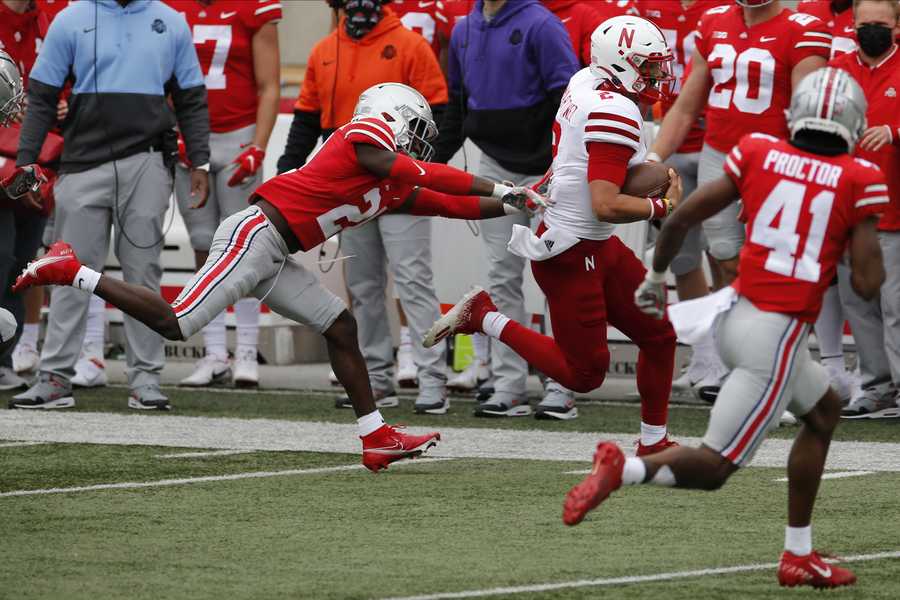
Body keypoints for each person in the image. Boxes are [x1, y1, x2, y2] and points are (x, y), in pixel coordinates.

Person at [14, 83, 546, 469]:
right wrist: (500, 186)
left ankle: (376, 436)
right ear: (392, 117)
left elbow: (447, 203)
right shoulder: (362, 136)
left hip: (277, 252)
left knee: (340, 325)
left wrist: (515, 202)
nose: (419, 143)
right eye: (416, 130)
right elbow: (419, 172)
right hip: (255, 235)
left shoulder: (387, 178)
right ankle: (71, 268)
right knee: (177, 323)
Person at [564, 67, 885, 589]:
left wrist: (657, 276)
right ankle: (623, 469)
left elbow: (682, 216)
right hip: (776, 337)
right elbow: (869, 285)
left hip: (733, 316)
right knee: (716, 467)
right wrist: (848, 235)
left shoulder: (758, 150)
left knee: (824, 411)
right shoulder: (859, 178)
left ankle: (798, 553)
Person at [426, 16, 681, 448]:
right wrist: (664, 206)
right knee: (584, 375)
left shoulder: (586, 80)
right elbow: (606, 204)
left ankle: (653, 441)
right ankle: (483, 316)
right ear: (621, 62)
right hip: (571, 251)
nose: (658, 75)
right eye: (649, 65)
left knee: (659, 336)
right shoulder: (614, 108)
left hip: (594, 243)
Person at [9, 0, 211, 411]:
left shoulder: (170, 22)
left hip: (148, 162)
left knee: (143, 272)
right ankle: (54, 377)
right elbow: (42, 97)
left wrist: (200, 162)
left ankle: (146, 378)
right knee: (67, 270)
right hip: (82, 162)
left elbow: (190, 98)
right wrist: (27, 161)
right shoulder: (70, 19)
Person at [647, 0, 830, 400]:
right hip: (720, 155)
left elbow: (807, 117)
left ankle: (787, 370)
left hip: (778, 160)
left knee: (776, 271)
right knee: (728, 260)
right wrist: (653, 159)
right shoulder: (713, 21)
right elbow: (686, 108)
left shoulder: (803, 29)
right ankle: (746, 368)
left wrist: (775, 179)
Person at [280, 0, 452, 414]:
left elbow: (439, 115)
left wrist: (422, 173)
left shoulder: (410, 45)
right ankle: (375, 377)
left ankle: (432, 379)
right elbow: (307, 118)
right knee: (363, 286)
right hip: (351, 190)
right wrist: (287, 169)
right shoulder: (325, 50)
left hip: (399, 185)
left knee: (413, 281)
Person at [434, 0, 580, 419]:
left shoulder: (542, 25)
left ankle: (563, 382)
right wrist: (428, 166)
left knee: (560, 276)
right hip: (496, 166)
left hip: (550, 167)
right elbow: (457, 108)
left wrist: (561, 166)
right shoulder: (463, 30)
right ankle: (509, 384)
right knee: (500, 274)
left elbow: (571, 104)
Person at [166, 0, 281, 389]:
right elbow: (159, 79)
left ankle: (246, 350)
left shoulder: (253, 7)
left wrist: (259, 146)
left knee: (243, 246)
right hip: (189, 134)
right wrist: (173, 131)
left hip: (239, 135)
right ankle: (214, 353)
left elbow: (269, 85)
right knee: (203, 244)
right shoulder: (170, 7)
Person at [638, 0, 730, 399]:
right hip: (673, 139)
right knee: (683, 255)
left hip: (720, 144)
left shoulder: (725, 11)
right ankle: (706, 355)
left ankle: (728, 354)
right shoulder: (647, 6)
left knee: (725, 253)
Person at [830, 0, 900, 418]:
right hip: (848, 210)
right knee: (858, 302)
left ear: (897, 26)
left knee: (895, 306)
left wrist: (894, 132)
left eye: (881, 23)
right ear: (852, 24)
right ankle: (876, 386)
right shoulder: (836, 70)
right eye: (865, 23)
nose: (872, 29)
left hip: (895, 208)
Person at [0, 0, 51, 390]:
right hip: (7, 156)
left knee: (20, 265)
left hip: (36, 152)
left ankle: (6, 356)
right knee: (1, 258)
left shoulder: (51, 20)